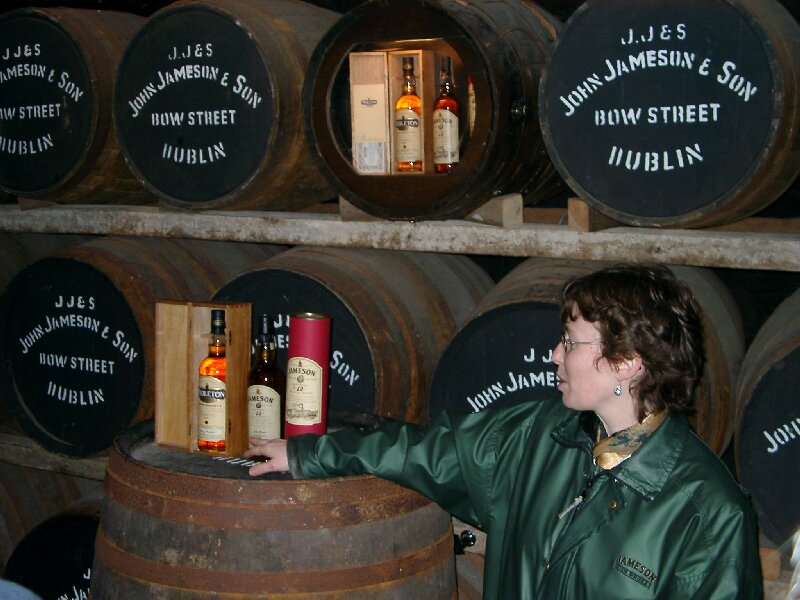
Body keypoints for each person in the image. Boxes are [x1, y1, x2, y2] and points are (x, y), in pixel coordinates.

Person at [245, 263, 763, 599]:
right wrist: (310, 454)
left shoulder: (708, 513)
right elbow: (424, 452)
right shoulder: (537, 438)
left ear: (626, 361)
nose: (554, 354)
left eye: (571, 341)